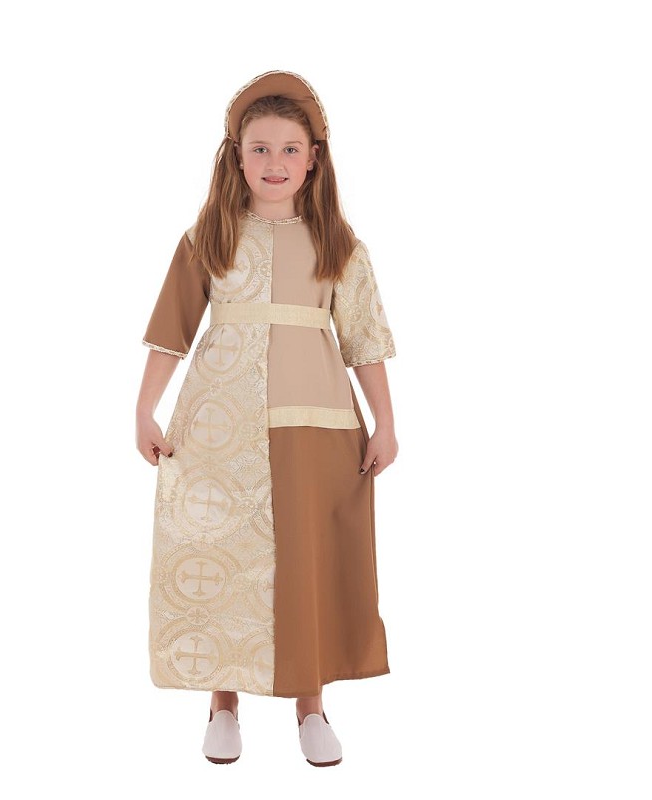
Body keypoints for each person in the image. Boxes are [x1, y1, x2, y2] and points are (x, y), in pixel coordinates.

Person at [135, 70, 399, 767]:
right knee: (222, 553)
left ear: (313, 159)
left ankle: (312, 705)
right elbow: (171, 332)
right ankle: (223, 702)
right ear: (236, 157)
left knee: (309, 559)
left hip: (315, 422)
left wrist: (385, 422)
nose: (274, 163)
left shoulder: (340, 244)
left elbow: (365, 342)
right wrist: (144, 408)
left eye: (289, 149)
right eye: (259, 149)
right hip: (218, 423)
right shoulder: (208, 237)